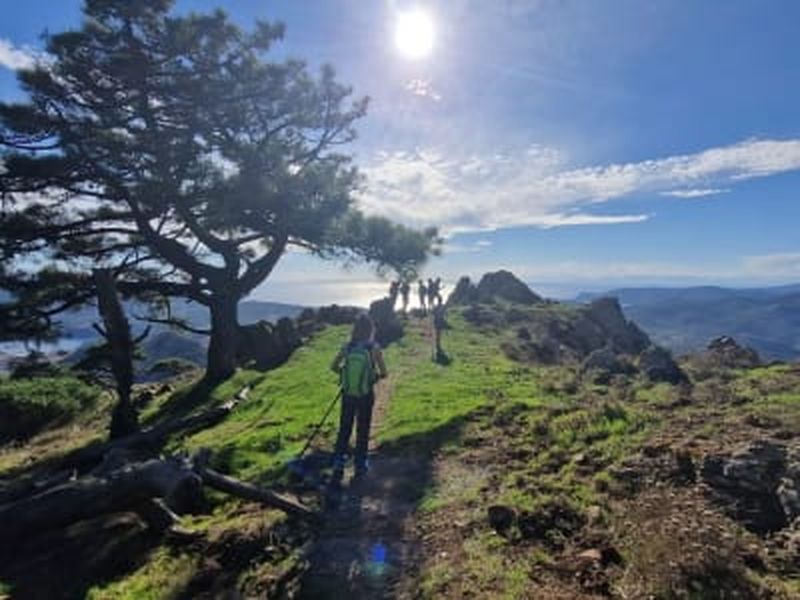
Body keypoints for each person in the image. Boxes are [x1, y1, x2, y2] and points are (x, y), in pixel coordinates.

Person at [330, 314, 387, 478]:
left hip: (347, 393)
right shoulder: (373, 348)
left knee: (344, 428)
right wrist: (373, 377)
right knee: (363, 428)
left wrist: (345, 375)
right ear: (370, 330)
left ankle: (338, 461)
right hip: (366, 395)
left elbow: (333, 366)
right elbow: (384, 373)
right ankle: (360, 464)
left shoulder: (347, 346)